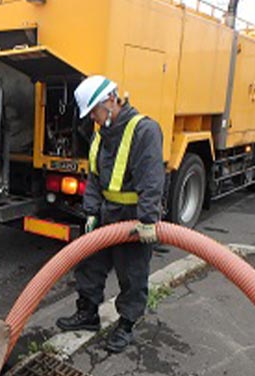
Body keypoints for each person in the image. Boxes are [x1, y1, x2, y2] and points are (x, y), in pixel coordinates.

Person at [56, 75, 165, 353]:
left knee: (132, 273)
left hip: (133, 217)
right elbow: (94, 176)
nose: (93, 117)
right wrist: (91, 212)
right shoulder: (100, 135)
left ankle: (126, 325)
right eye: (90, 113)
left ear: (112, 100)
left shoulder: (143, 130)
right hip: (106, 213)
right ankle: (88, 313)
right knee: (89, 264)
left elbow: (152, 179)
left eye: (95, 110)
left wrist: (147, 220)